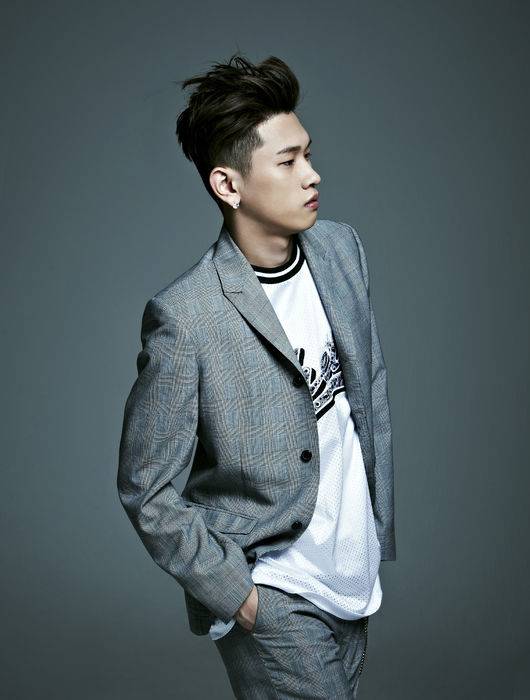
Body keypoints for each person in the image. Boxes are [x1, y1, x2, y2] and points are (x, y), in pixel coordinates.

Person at [117, 52, 396, 699]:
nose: (312, 174)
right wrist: (237, 595)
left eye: (308, 154)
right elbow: (145, 487)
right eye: (288, 161)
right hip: (274, 589)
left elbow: (367, 395)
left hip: (352, 579)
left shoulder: (342, 251)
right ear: (228, 184)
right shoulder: (187, 316)